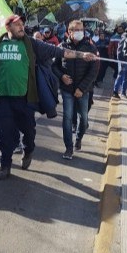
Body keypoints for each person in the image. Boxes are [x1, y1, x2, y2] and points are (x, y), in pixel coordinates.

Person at [0, 14, 98, 180]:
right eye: (17, 24)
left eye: (22, 24)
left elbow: (58, 51)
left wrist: (80, 55)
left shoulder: (32, 44)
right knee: (3, 133)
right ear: (8, 28)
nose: (22, 27)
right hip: (3, 98)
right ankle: (5, 165)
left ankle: (28, 151)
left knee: (28, 132)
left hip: (25, 98)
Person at [53, 20, 99, 159]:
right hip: (67, 89)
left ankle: (79, 138)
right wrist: (62, 77)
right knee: (67, 118)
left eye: (81, 30)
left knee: (83, 119)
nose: (80, 32)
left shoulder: (90, 47)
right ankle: (68, 147)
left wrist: (82, 88)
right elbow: (54, 66)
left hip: (83, 90)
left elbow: (94, 70)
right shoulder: (62, 47)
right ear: (70, 32)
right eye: (76, 30)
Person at [111, 25, 127, 99]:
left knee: (125, 77)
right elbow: (119, 51)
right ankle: (115, 92)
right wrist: (121, 61)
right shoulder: (125, 38)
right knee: (120, 76)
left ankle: (123, 92)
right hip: (123, 61)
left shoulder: (126, 37)